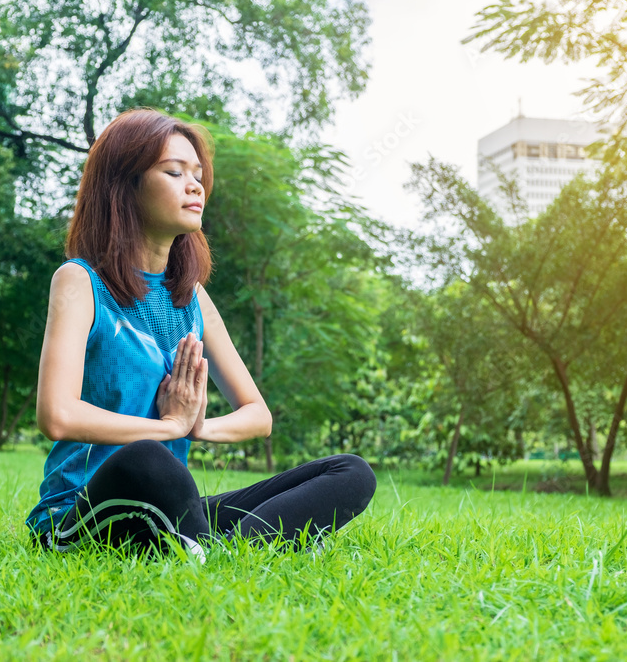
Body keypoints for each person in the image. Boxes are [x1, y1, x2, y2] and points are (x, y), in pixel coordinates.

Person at [26, 108, 376, 557]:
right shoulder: (80, 281)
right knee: (148, 457)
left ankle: (208, 549)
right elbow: (56, 415)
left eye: (197, 174)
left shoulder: (190, 296)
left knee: (349, 472)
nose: (195, 185)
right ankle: (215, 547)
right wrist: (165, 426)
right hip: (77, 511)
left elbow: (257, 416)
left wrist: (193, 427)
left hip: (171, 502)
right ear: (124, 186)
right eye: (174, 172)